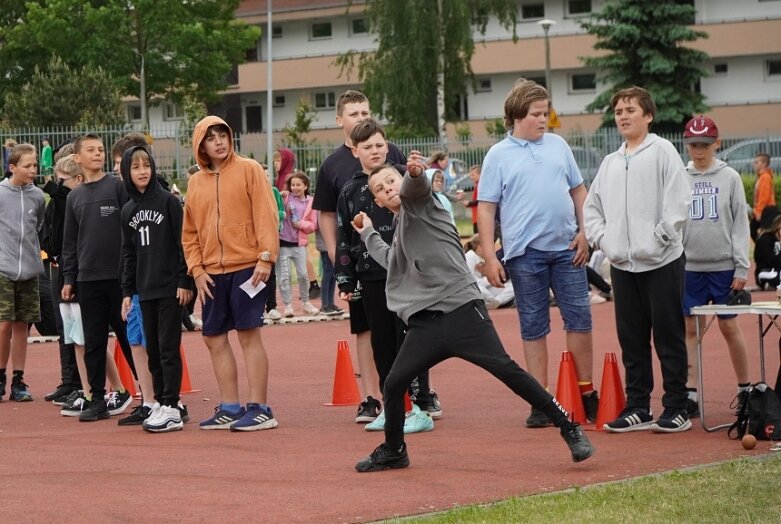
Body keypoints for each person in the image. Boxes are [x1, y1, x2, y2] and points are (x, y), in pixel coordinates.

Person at [351, 159, 593, 472]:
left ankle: (569, 427)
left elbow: (417, 188)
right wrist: (369, 232)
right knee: (394, 383)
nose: (388, 188)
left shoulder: (423, 203)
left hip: (463, 312)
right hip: (426, 323)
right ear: (379, 202)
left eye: (390, 181)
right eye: (380, 189)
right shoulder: (400, 229)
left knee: (508, 370)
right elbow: (393, 261)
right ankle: (394, 449)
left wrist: (414, 174)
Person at [478, 78, 598, 428]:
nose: (544, 120)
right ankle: (541, 399)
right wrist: (489, 257)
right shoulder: (497, 155)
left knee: (580, 318)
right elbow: (486, 209)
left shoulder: (559, 145)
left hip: (567, 249)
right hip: (523, 254)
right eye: (537, 114)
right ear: (517, 115)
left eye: (546, 113)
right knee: (533, 325)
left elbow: (579, 191)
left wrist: (585, 233)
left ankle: (585, 392)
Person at [584, 86, 692, 433]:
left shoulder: (662, 152)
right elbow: (592, 208)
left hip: (661, 262)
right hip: (622, 265)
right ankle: (637, 407)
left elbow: (678, 201)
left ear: (648, 115)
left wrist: (659, 238)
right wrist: (606, 241)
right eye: (618, 111)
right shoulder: (611, 162)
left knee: (668, 335)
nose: (623, 116)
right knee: (631, 338)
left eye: (630, 109)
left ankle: (676, 406)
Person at [336, 118, 438, 430]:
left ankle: (422, 403)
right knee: (381, 344)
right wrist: (345, 277)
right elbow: (345, 235)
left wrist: (418, 174)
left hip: (408, 275)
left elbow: (427, 209)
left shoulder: (405, 177)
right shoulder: (351, 190)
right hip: (371, 278)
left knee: (411, 339)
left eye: (380, 144)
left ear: (387, 144)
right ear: (355, 151)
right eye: (367, 147)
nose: (375, 151)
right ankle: (390, 404)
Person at [312, 89, 406, 423]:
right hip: (362, 265)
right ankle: (371, 396)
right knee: (369, 331)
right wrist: (340, 258)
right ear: (340, 121)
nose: (361, 118)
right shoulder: (334, 167)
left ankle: (418, 394)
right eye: (353, 114)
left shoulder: (391, 154)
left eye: (365, 112)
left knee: (410, 329)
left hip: (401, 266)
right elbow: (328, 214)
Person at [182, 115, 280, 431]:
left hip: (248, 267)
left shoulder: (250, 169)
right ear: (201, 146)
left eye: (222, 134)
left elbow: (266, 216)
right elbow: (190, 232)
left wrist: (265, 259)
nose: (219, 142)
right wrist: (196, 270)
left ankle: (260, 407)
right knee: (213, 337)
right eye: (210, 138)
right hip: (211, 272)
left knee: (248, 334)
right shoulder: (195, 182)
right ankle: (230, 407)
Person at [679, 115, 752, 418]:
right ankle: (691, 392)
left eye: (705, 145)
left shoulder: (730, 177)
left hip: (723, 267)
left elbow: (740, 223)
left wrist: (740, 267)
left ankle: (745, 389)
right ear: (687, 146)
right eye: (694, 145)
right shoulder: (679, 177)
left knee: (728, 326)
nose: (699, 150)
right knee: (690, 330)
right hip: (690, 267)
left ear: (717, 144)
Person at [61, 133, 135, 422]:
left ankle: (152, 397)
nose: (97, 153)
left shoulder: (117, 187)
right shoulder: (74, 197)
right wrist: (69, 278)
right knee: (93, 341)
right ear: (77, 158)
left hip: (118, 279)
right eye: (90, 150)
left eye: (101, 149)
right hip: (87, 280)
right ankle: (97, 398)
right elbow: (70, 242)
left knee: (131, 339)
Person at [120, 145, 194, 432]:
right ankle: (162, 402)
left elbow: (182, 244)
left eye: (146, 165)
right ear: (127, 171)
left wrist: (184, 280)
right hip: (144, 290)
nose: (142, 171)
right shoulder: (127, 210)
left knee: (168, 348)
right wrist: (128, 291)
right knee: (153, 351)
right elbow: (128, 254)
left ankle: (173, 406)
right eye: (136, 167)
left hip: (170, 289)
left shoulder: (169, 203)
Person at [110, 132, 159, 426]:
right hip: (134, 286)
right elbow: (127, 250)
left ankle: (167, 399)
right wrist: (126, 287)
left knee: (156, 344)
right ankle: (148, 398)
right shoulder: (125, 202)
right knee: (135, 341)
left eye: (120, 163)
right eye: (121, 165)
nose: (119, 169)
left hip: (157, 285)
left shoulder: (162, 199)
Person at [0, 144, 45, 402]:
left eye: (34, 165)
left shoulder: (37, 196)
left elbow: (37, 225)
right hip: (3, 269)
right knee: (3, 323)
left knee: (21, 326)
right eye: (27, 166)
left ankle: (19, 380)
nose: (32, 170)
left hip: (29, 269)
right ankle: (0, 376)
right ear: (12, 167)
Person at [41, 152, 83, 404]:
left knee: (80, 328)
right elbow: (49, 237)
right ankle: (69, 381)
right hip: (60, 267)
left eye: (62, 180)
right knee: (64, 326)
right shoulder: (56, 203)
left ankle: (82, 383)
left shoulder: (75, 201)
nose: (57, 186)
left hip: (78, 270)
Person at [278, 171, 319, 317]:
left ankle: (306, 303)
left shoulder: (311, 202)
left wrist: (300, 224)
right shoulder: (286, 197)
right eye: (293, 185)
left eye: (298, 185)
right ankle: (288, 305)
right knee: (284, 275)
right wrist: (281, 197)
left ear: (305, 186)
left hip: (299, 243)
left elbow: (313, 225)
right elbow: (278, 209)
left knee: (303, 275)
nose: (295, 187)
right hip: (283, 243)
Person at [463, 234, 515, 309]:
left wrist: (487, 274)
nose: (492, 249)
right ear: (480, 246)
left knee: (513, 286)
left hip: (487, 288)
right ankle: (493, 301)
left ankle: (497, 302)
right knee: (479, 289)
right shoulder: (469, 256)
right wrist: (489, 278)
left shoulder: (486, 258)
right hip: (474, 289)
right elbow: (471, 282)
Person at [264, 184, 286, 321]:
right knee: (251, 276)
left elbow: (282, 212)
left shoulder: (273, 191)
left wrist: (271, 215)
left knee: (270, 273)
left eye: (266, 175)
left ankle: (271, 307)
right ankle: (255, 309)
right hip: (252, 240)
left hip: (270, 236)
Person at [749, 152, 775, 242]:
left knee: (754, 229)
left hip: (766, 212)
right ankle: (763, 247)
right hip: (764, 211)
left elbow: (764, 196)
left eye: (757, 162)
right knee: (765, 232)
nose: (754, 164)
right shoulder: (761, 177)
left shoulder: (765, 177)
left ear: (764, 164)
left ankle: (763, 247)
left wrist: (759, 212)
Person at [754, 210, 781, 289]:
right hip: (766, 271)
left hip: (777, 270)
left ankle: (773, 284)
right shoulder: (764, 238)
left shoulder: (775, 238)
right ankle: (766, 283)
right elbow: (769, 260)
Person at [457, 165, 481, 233]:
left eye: (473, 175)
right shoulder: (477, 184)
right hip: (476, 217)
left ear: (480, 174)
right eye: (470, 175)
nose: (471, 177)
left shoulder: (481, 185)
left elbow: (481, 201)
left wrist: (469, 203)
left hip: (480, 218)